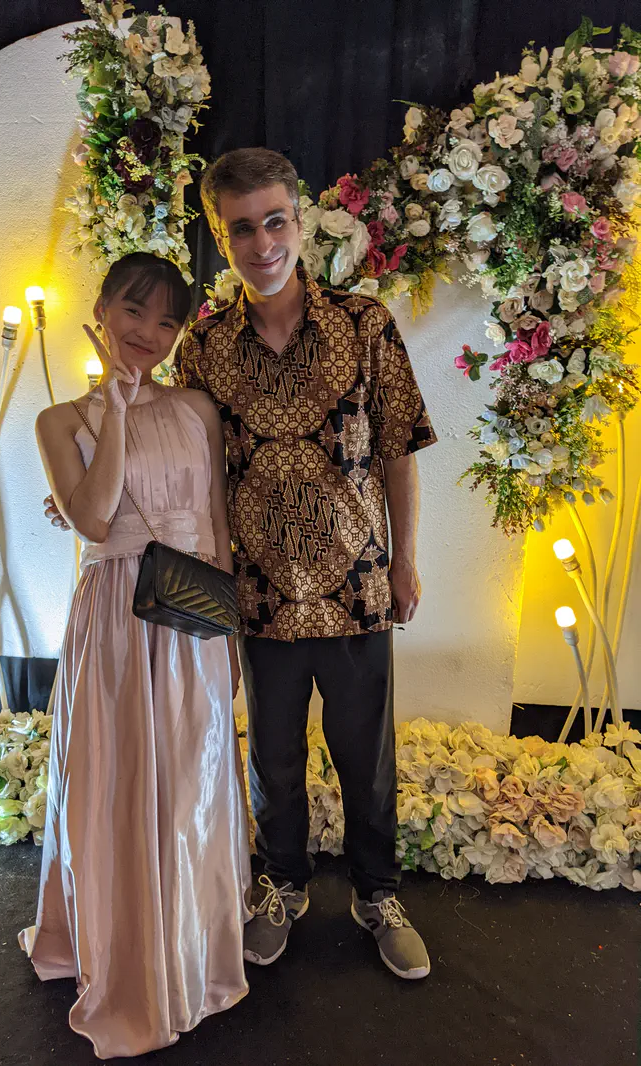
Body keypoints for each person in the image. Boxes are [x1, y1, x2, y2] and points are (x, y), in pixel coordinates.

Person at [174, 148, 437, 980]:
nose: (262, 243)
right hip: (259, 594)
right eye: (241, 228)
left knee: (367, 754)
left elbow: (398, 453)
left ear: (301, 218)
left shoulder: (365, 322)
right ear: (222, 237)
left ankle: (376, 894)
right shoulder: (203, 345)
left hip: (358, 587)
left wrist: (405, 561)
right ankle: (282, 886)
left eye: (275, 220)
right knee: (273, 761)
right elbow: (187, 467)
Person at [21, 252, 250, 1060]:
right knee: (118, 780)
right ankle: (123, 951)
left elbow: (218, 523)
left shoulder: (196, 407)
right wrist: (113, 409)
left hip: (189, 617)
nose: (147, 334)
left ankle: (191, 940)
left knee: (190, 778)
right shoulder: (60, 419)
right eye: (132, 312)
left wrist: (224, 634)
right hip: (116, 615)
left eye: (165, 321)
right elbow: (90, 517)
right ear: (101, 311)